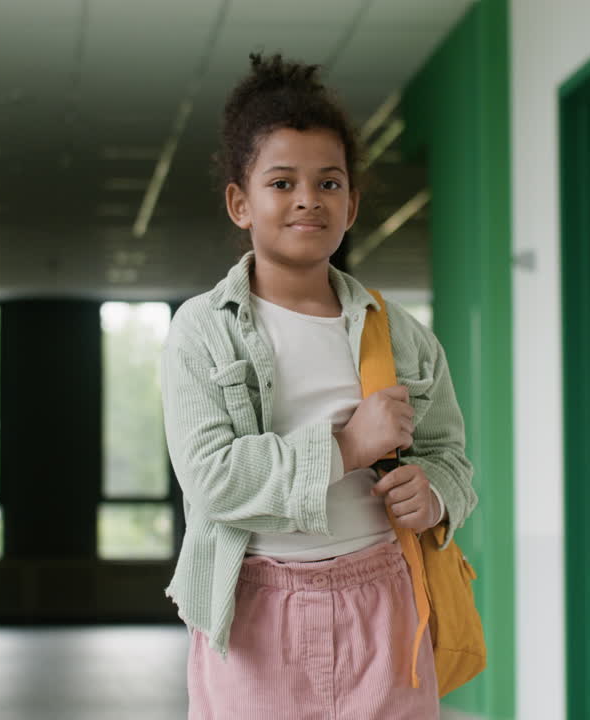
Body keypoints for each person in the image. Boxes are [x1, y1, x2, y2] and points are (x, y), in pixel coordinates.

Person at [160, 52, 477, 719]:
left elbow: (450, 456)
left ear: (351, 204)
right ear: (241, 203)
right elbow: (213, 479)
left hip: (385, 600)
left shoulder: (400, 335)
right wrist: (347, 448)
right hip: (252, 606)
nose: (308, 198)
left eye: (329, 183)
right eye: (282, 182)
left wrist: (435, 494)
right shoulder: (202, 330)